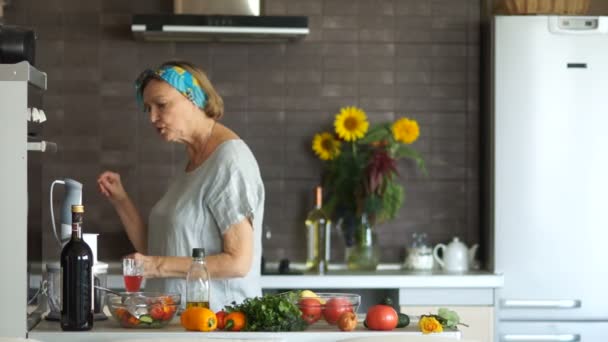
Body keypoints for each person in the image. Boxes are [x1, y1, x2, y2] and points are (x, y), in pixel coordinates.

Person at [97, 61, 265, 311]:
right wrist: (121, 200)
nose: (153, 117)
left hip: (219, 326)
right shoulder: (193, 163)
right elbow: (156, 249)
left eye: (161, 105)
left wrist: (156, 266)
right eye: (148, 109)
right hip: (181, 325)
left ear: (192, 98)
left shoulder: (229, 161)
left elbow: (238, 262)